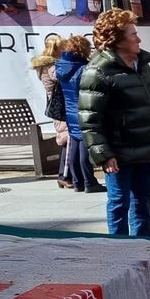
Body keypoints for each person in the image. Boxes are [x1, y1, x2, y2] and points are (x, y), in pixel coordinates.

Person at [78, 8, 150, 237]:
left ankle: (143, 247)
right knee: (119, 202)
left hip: (145, 147)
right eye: (133, 34)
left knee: (142, 202)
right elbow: (90, 119)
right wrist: (104, 154)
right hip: (118, 152)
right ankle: (118, 250)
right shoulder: (98, 71)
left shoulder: (142, 65)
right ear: (117, 40)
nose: (138, 39)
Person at [56, 34, 105, 193]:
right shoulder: (83, 68)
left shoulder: (62, 66)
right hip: (83, 109)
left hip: (70, 111)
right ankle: (89, 182)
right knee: (85, 144)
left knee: (75, 143)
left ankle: (77, 182)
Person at [30, 34, 69, 187]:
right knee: (67, 137)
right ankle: (64, 175)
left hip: (55, 104)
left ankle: (64, 175)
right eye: (63, 47)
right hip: (61, 104)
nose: (65, 50)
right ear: (56, 49)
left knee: (64, 136)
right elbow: (61, 77)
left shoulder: (44, 65)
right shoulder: (53, 66)